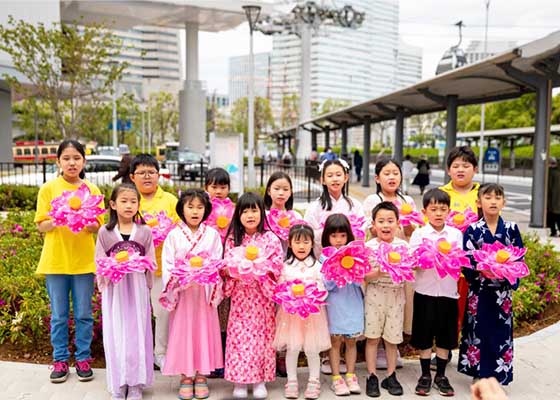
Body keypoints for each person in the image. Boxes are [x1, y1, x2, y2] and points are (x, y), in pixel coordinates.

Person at [35, 139, 104, 383]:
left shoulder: (92, 190)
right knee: (59, 315)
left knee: (84, 314)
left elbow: (98, 226)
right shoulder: (48, 189)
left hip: (84, 262)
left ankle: (83, 358)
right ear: (58, 161)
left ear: (84, 161)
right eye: (66, 158)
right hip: (55, 262)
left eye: (76, 158)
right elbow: (41, 225)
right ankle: (60, 360)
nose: (72, 163)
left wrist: (84, 218)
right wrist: (59, 217)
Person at [160, 189, 224, 400]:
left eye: (200, 207)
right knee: (183, 332)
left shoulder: (212, 235)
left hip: (204, 293)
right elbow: (168, 264)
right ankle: (186, 376)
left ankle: (202, 374)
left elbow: (217, 261)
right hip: (183, 293)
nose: (195, 211)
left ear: (206, 210)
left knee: (203, 331)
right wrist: (180, 276)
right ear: (182, 209)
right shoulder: (174, 235)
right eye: (190, 207)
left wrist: (206, 272)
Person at [459, 183, 524, 385]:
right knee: (478, 330)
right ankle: (478, 372)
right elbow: (466, 259)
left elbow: (519, 257)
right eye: (487, 197)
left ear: (504, 202)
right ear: (479, 202)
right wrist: (480, 269)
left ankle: (499, 374)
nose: (493, 201)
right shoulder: (472, 230)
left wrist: (508, 271)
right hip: (479, 290)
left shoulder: (511, 229)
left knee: (500, 331)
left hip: (502, 293)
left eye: (497, 197)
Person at [95, 184, 156, 400]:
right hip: (115, 290)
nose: (129, 205)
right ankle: (118, 383)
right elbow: (99, 260)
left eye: (133, 201)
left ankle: (136, 383)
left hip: (137, 289)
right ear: (113, 204)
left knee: (137, 332)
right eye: (124, 201)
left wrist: (147, 280)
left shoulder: (145, 231)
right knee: (116, 332)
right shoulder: (105, 232)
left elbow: (151, 260)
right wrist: (108, 274)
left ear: (139, 204)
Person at [222, 192, 283, 399]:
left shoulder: (270, 239)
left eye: (254, 210)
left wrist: (261, 268)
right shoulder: (233, 239)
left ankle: (259, 380)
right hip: (240, 297)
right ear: (238, 214)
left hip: (262, 297)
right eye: (245, 211)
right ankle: (239, 381)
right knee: (239, 338)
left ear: (262, 213)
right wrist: (236, 269)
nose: (250, 215)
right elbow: (226, 266)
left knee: (261, 338)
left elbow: (277, 266)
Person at [409, 189, 463, 396]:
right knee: (424, 335)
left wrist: (446, 258)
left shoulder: (455, 234)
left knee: (445, 336)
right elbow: (413, 263)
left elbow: (459, 261)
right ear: (424, 212)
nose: (438, 213)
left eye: (443, 209)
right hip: (425, 292)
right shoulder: (419, 234)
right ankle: (425, 375)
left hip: (448, 293)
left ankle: (441, 375)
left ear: (449, 211)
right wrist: (428, 258)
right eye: (433, 209)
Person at [129, 154, 180, 370]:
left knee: (162, 312)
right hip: (134, 269)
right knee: (136, 313)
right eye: (141, 173)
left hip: (161, 268)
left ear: (159, 175)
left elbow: (180, 231)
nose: (147, 176)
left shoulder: (170, 201)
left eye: (151, 172)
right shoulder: (128, 199)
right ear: (132, 177)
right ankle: (138, 353)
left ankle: (160, 352)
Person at [362, 158, 417, 347]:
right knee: (375, 306)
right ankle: (375, 344)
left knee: (401, 302)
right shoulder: (372, 200)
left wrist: (407, 222)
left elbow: (410, 233)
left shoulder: (407, 201)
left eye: (395, 173)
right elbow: (367, 231)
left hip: (401, 261)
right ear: (377, 178)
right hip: (377, 261)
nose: (392, 177)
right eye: (387, 173)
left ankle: (394, 341)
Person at [273, 224, 331, 400]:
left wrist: (312, 295)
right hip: (291, 316)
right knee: (293, 348)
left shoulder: (317, 266)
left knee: (312, 349)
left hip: (312, 316)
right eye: (297, 242)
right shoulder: (285, 266)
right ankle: (291, 381)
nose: (301, 246)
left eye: (306, 242)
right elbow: (279, 289)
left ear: (312, 244)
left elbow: (323, 289)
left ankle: (314, 381)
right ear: (290, 244)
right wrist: (290, 296)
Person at [439, 146, 480, 366]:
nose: (460, 170)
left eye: (466, 165)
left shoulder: (482, 194)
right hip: (447, 265)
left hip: (475, 265)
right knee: (447, 311)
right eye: (456, 166)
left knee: (473, 311)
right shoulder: (441, 194)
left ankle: (472, 356)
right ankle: (443, 352)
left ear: (475, 169)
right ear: (448, 170)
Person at [364, 202, 408, 397]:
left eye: (390, 221)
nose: (385, 225)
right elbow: (364, 276)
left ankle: (391, 375)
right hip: (374, 295)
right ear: (373, 225)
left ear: (398, 224)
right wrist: (379, 272)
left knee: (392, 339)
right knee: (372, 338)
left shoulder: (403, 246)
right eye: (381, 221)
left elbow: (409, 272)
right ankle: (371, 375)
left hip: (396, 296)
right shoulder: (368, 247)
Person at [321, 214, 363, 396]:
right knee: (335, 342)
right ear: (327, 237)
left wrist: (352, 268)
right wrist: (337, 269)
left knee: (351, 341)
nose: (338, 240)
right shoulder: (324, 258)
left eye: (343, 235)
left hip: (353, 303)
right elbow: (327, 285)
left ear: (349, 236)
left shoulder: (355, 256)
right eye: (334, 236)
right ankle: (336, 377)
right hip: (335, 305)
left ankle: (351, 375)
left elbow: (360, 281)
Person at [204, 167, 233, 380]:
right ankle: (211, 361)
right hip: (208, 271)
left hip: (228, 270)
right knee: (210, 317)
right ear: (206, 187)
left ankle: (223, 361)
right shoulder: (202, 209)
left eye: (223, 187)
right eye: (214, 186)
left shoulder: (234, 210)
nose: (218, 191)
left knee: (226, 317)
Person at [304, 158, 365, 258]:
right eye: (330, 175)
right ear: (323, 180)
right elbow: (308, 234)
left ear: (346, 177)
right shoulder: (314, 207)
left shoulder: (355, 205)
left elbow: (361, 233)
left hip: (349, 259)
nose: (335, 179)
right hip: (322, 258)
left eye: (338, 175)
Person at [547, 157, 560, 237]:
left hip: (553, 200)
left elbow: (550, 188)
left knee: (553, 216)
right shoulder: (557, 172)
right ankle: (554, 231)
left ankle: (553, 231)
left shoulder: (551, 173)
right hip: (556, 200)